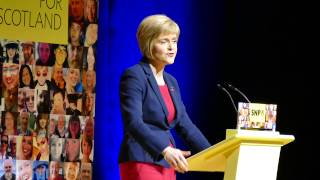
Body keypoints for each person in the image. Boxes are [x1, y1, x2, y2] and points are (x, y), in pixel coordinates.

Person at [119, 14, 211, 179]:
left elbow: (185, 125)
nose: (171, 47)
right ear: (148, 44)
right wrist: (165, 149)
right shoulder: (134, 76)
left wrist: (214, 155)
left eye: (174, 41)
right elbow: (133, 122)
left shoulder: (171, 82)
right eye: (164, 41)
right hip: (142, 160)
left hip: (168, 162)